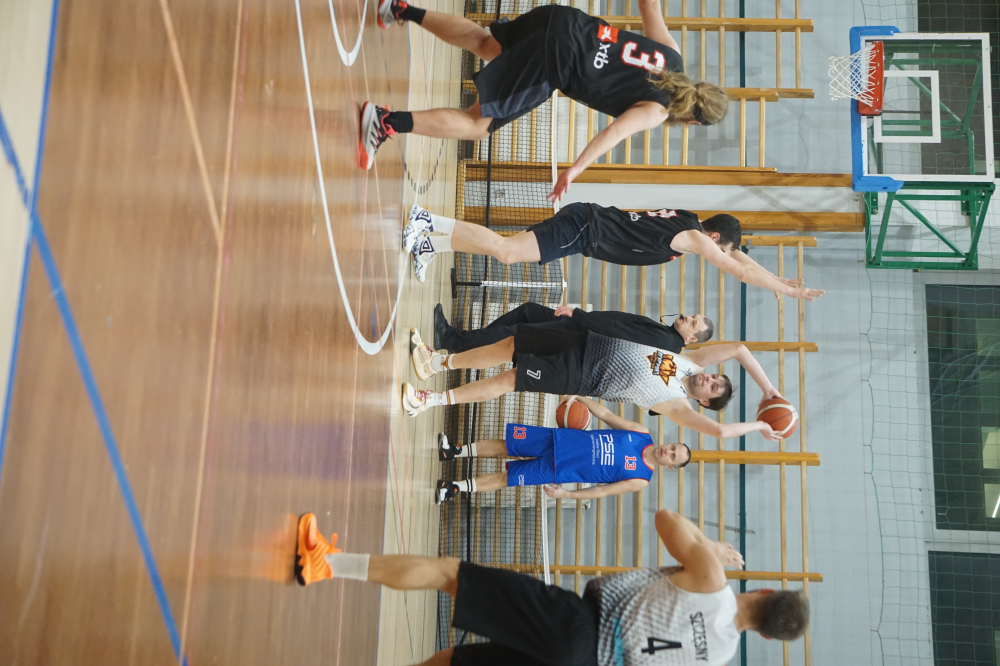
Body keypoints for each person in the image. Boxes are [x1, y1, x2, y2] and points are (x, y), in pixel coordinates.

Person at [294, 509, 810, 664]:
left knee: (451, 575)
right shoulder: (718, 658)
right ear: (766, 636)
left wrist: (710, 546)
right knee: (451, 663)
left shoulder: (715, 580)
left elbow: (665, 519)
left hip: (580, 628)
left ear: (765, 594)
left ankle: (328, 564)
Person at [361, 0, 729, 199]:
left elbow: (649, 5)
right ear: (692, 121)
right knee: (478, 125)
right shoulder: (657, 110)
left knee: (486, 43)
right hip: (554, 61)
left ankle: (400, 9)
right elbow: (613, 134)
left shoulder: (673, 54)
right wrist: (575, 170)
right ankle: (386, 122)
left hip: (563, 20)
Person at [403, 317, 785, 441]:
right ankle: (436, 362)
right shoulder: (688, 362)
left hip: (585, 374)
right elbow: (739, 349)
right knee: (510, 344)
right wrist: (770, 390)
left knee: (511, 378)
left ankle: (429, 401)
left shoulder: (677, 405)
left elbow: (719, 433)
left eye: (715, 388)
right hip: (585, 340)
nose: (711, 380)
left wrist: (761, 425)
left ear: (704, 402)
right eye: (716, 377)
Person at [402, 204, 822, 302]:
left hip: (586, 225)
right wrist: (789, 292)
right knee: (508, 252)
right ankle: (427, 219)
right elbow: (739, 271)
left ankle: (430, 243)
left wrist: (777, 279)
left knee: (506, 249)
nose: (725, 256)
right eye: (722, 250)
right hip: (586, 229)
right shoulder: (695, 238)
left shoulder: (692, 222)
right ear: (713, 239)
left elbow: (741, 259)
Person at [434, 396, 691, 503]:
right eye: (672, 447)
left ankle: (454, 487)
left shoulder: (641, 479)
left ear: (670, 466)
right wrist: (580, 397)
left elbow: (601, 490)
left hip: (558, 469)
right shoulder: (641, 433)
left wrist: (567, 494)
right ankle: (454, 451)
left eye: (673, 456)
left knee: (506, 478)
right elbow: (606, 415)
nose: (667, 452)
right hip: (559, 439)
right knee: (505, 445)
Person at [430, 301, 712, 354]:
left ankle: (453, 341)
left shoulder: (666, 343)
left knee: (514, 335)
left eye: (693, 322)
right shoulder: (666, 334)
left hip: (579, 337)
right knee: (528, 311)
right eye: (692, 315)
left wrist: (578, 315)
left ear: (692, 339)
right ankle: (466, 342)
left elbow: (618, 331)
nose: (687, 317)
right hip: (579, 327)